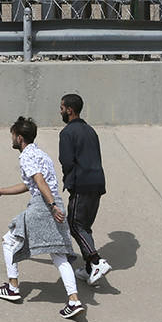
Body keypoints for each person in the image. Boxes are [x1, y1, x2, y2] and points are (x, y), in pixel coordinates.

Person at [0, 116, 85, 319]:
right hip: (53, 201)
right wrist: (0, 191)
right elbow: (29, 184)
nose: (12, 139)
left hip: (43, 204)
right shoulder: (41, 154)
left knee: (9, 240)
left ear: (20, 138)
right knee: (58, 254)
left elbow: (39, 181)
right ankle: (74, 301)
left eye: (13, 136)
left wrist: (52, 206)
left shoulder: (26, 156)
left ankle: (13, 288)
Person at [59, 93, 111, 285]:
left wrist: (69, 181)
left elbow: (66, 162)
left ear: (70, 110)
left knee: (74, 225)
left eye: (62, 108)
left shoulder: (67, 133)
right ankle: (90, 269)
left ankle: (96, 261)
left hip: (81, 185)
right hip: (97, 184)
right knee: (84, 226)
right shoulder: (90, 130)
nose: (61, 111)